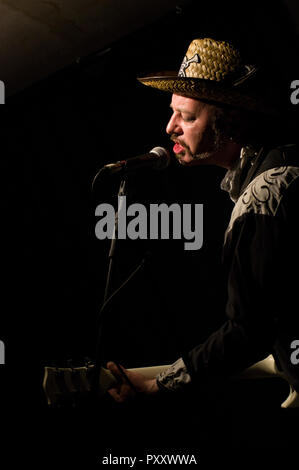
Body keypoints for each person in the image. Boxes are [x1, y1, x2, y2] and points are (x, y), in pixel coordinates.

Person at [105, 37, 299, 405]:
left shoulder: (263, 197)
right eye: (173, 112)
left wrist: (158, 386)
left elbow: (248, 333)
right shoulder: (281, 163)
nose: (170, 128)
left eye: (188, 117)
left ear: (231, 121)